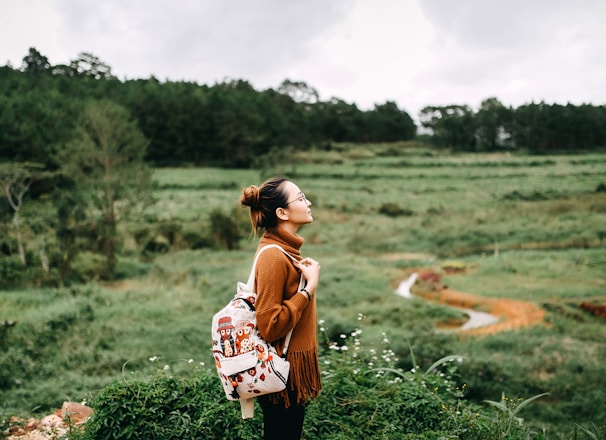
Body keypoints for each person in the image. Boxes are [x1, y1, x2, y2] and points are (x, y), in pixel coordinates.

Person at [240, 176, 322, 440]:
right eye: (300, 198)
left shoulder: (286, 252)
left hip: (288, 370)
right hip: (280, 371)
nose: (308, 202)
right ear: (282, 212)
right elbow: (270, 325)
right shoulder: (274, 256)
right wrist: (308, 290)